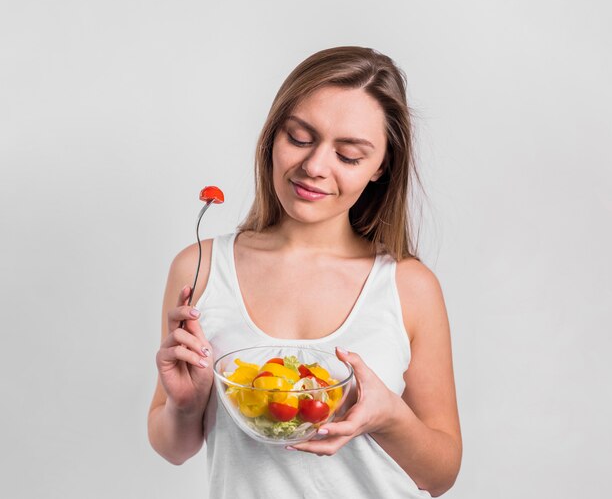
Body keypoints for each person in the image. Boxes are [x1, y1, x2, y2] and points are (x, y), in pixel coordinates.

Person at [147, 46, 462, 497]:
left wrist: (388, 417)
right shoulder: (199, 267)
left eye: (349, 156)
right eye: (299, 137)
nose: (314, 167)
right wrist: (185, 403)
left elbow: (441, 474)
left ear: (381, 168)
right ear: (273, 136)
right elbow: (174, 448)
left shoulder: (408, 285)